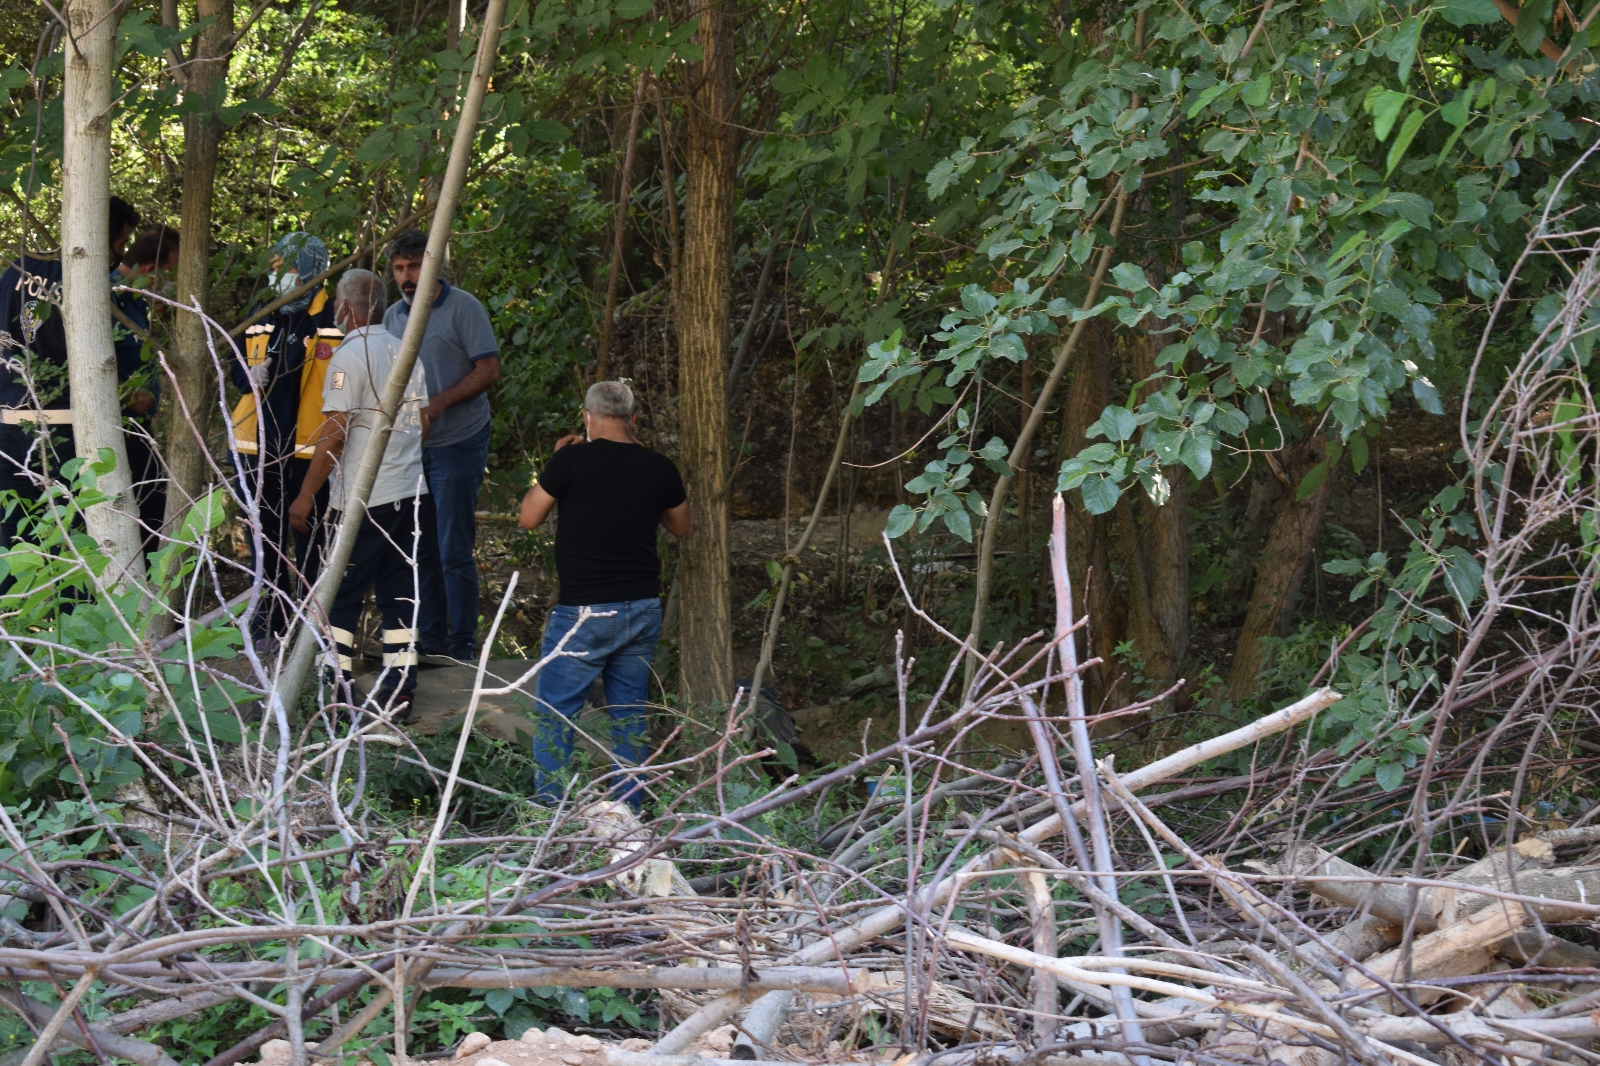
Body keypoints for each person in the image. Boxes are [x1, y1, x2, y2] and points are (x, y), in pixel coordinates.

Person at [518, 381, 690, 805]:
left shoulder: (571, 460)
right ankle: (627, 817)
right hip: (643, 608)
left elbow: (528, 517)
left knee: (555, 717)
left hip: (584, 611)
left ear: (588, 417)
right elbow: (682, 527)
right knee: (630, 717)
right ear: (633, 420)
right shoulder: (659, 467)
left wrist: (559, 463)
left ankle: (548, 817)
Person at [290, 269, 432, 714]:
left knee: (343, 595)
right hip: (410, 495)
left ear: (346, 309)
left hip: (361, 501)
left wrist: (306, 494)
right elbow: (423, 423)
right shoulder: (408, 353)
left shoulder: (345, 361)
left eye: (337, 304)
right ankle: (401, 691)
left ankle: (336, 689)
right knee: (400, 596)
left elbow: (334, 431)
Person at [383, 229, 500, 662]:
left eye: (414, 266)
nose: (406, 276)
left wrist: (437, 406)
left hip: (459, 440)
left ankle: (462, 641)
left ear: (433, 266)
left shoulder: (463, 308)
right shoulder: (394, 316)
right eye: (399, 268)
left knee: (454, 545)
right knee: (421, 546)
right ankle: (430, 638)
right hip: (413, 447)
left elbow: (488, 369)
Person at [0, 196, 142, 548]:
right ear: (98, 236)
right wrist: (135, 396)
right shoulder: (89, 286)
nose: (118, 257)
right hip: (64, 435)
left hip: (6, 429)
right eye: (120, 244)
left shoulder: (14, 268)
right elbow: (99, 365)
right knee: (73, 552)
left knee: (14, 551)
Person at [228, 232, 341, 651]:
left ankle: (310, 636)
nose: (279, 274)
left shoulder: (330, 316)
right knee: (265, 544)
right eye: (275, 266)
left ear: (311, 268)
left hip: (309, 454)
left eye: (288, 267)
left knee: (312, 547)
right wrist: (248, 376)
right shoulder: (263, 311)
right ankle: (266, 627)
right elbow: (237, 368)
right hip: (256, 449)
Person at [113, 225, 179, 545]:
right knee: (146, 515)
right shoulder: (111, 295)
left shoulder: (136, 299)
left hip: (142, 427)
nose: (171, 282)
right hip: (121, 426)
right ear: (151, 270)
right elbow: (81, 352)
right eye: (169, 273)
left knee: (154, 510)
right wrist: (126, 392)